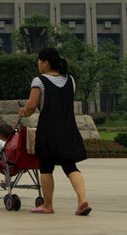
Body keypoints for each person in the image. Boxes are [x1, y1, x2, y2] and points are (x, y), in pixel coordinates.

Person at [19, 46, 90, 215]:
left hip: (48, 130)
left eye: (39, 61)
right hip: (68, 128)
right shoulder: (70, 80)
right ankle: (82, 200)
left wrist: (23, 111)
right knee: (70, 166)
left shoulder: (39, 81)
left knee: (46, 167)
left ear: (46, 63)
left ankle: (47, 205)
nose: (38, 64)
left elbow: (31, 107)